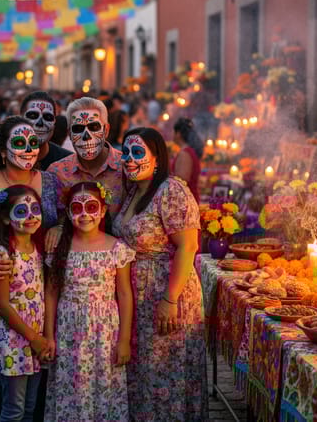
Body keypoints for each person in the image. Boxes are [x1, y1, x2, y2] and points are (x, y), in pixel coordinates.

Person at [0, 116, 62, 422]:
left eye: (33, 143)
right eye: (19, 143)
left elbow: (59, 220)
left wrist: (59, 227)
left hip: (37, 290)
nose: (28, 149)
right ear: (4, 151)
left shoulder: (51, 182)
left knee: (33, 363)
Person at [113, 128, 207, 420]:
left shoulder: (171, 190)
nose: (129, 159)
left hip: (167, 292)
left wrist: (170, 298)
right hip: (136, 295)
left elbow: (188, 246)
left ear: (156, 159)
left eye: (138, 153)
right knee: (144, 374)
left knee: (166, 372)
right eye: (126, 152)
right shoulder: (133, 192)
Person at [44, 182, 133, 421]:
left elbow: (124, 293)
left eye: (91, 206)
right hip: (68, 331)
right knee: (72, 386)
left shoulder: (116, 248)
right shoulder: (60, 248)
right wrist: (48, 335)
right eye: (77, 208)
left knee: (103, 385)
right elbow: (51, 292)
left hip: (105, 333)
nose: (84, 214)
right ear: (69, 212)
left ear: (103, 211)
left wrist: (124, 340)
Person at [0, 185, 47, 422]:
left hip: (35, 340)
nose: (30, 216)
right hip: (15, 340)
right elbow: (1, 304)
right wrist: (34, 337)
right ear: (5, 218)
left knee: (30, 407)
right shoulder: (4, 253)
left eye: (35, 209)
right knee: (14, 410)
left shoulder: (37, 249)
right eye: (21, 211)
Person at [48, 97, 125, 219]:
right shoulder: (57, 172)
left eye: (94, 127)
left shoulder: (126, 167)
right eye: (78, 129)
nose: (86, 136)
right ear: (70, 134)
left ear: (106, 130)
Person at [171, 118, 203, 203]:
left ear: (178, 134)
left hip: (186, 201)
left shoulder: (185, 154)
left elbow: (181, 181)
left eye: (173, 132)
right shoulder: (187, 151)